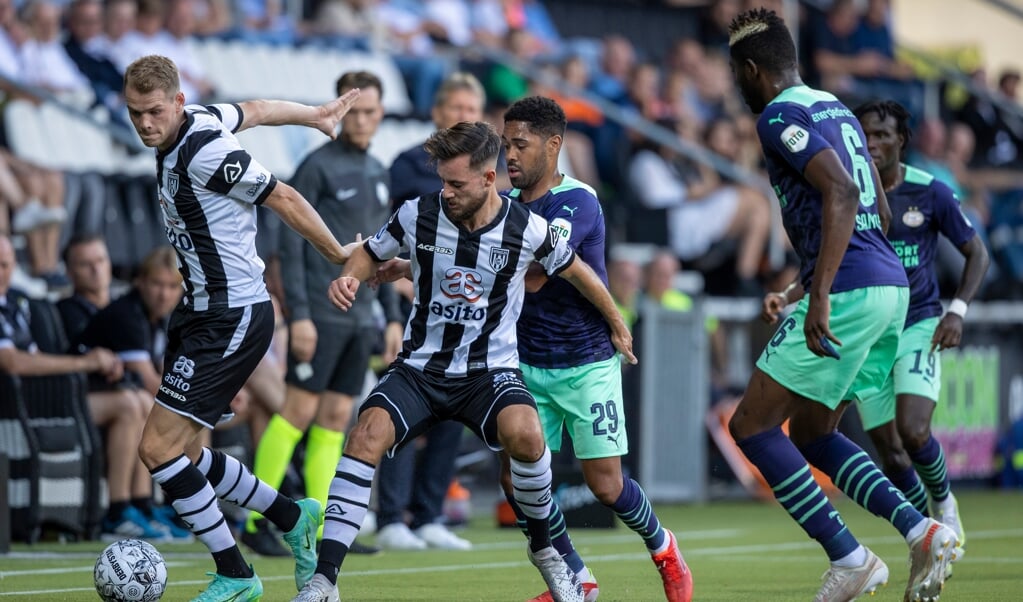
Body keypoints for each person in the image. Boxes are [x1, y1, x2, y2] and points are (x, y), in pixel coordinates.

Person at [292, 121, 635, 602]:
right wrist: (349, 278)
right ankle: (323, 581)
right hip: (421, 368)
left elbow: (579, 273)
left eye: (456, 184)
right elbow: (369, 253)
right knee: (365, 434)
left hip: (488, 373)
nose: (446, 193)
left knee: (528, 435)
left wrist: (617, 324)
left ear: (488, 179)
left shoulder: (526, 228)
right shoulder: (417, 215)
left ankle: (547, 554)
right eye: (442, 182)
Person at [725, 9, 958, 602]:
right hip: (889, 286)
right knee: (813, 430)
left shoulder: (780, 114)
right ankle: (919, 527)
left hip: (851, 288)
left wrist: (822, 290)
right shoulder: (834, 107)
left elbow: (845, 191)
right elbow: (878, 206)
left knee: (750, 425)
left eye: (738, 75)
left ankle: (850, 557)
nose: (737, 88)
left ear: (753, 70)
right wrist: (814, 283)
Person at [123, 54, 362, 601]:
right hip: (199, 312)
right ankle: (292, 514)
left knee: (158, 450)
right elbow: (254, 109)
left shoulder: (206, 149)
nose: (144, 124)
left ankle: (236, 573)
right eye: (135, 113)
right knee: (176, 450)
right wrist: (316, 116)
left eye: (154, 112)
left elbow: (282, 196)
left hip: (231, 315)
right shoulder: (202, 116)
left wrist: (334, 253)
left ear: (177, 102)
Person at [500, 96, 693, 602]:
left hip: (585, 363)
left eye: (520, 145)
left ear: (553, 144)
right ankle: (576, 576)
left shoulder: (577, 202)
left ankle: (664, 547)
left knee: (606, 486)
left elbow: (537, 275)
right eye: (505, 146)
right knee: (515, 480)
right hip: (525, 362)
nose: (510, 157)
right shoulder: (507, 206)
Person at [241, 70, 402, 557]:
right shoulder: (316, 166)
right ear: (341, 109)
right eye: (355, 110)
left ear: (381, 115)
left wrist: (392, 314)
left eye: (372, 111)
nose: (363, 120)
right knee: (296, 411)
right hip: (322, 313)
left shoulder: (378, 171)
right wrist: (301, 315)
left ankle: (319, 523)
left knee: (335, 417)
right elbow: (290, 247)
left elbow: (386, 249)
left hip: (361, 315)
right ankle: (254, 521)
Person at [851, 100, 987, 546]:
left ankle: (944, 502)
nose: (872, 144)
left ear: (901, 142)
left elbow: (977, 253)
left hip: (919, 323)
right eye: (865, 135)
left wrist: (957, 311)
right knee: (890, 453)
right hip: (870, 335)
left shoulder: (931, 191)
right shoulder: (847, 190)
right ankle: (927, 536)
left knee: (913, 430)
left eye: (882, 136)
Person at [373, 72, 489, 553]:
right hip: (413, 306)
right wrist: (399, 302)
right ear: (437, 113)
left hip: (466, 314)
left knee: (450, 415)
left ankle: (429, 514)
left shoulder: (488, 178)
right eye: (454, 106)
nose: (462, 114)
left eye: (470, 107)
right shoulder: (406, 168)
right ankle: (390, 516)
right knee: (404, 412)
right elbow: (389, 239)